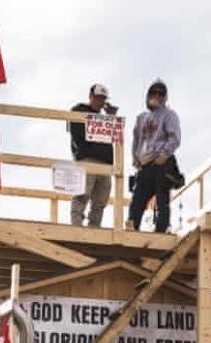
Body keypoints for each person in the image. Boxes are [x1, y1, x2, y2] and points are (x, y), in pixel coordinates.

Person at [127, 79, 181, 233]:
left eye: (161, 93)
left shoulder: (169, 115)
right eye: (154, 92)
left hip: (161, 163)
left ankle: (161, 230)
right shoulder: (141, 118)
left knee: (162, 200)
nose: (157, 95)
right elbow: (136, 140)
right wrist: (135, 159)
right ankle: (132, 229)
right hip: (144, 166)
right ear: (148, 94)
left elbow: (175, 137)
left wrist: (164, 155)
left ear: (165, 97)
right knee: (137, 201)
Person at [68, 83, 118, 226]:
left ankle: (94, 228)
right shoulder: (80, 110)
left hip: (106, 164)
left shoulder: (104, 119)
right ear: (90, 97)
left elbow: (115, 137)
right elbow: (76, 134)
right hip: (87, 160)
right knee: (82, 195)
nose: (100, 102)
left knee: (101, 200)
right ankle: (76, 226)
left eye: (103, 99)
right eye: (97, 98)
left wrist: (111, 117)